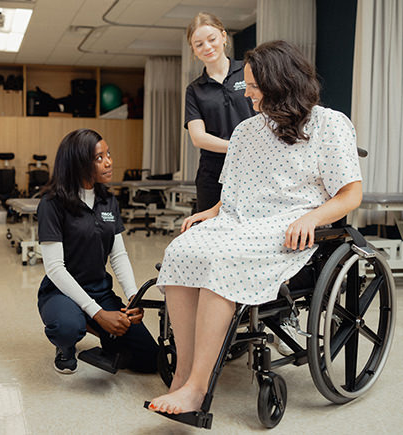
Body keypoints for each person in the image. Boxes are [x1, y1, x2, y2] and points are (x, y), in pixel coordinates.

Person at [147, 40, 363, 414]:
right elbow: (235, 190)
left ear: (281, 84)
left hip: (290, 229)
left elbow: (350, 195)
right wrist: (211, 212)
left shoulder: (330, 125)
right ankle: (182, 376)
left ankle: (198, 389)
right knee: (181, 250)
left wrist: (311, 217)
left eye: (252, 86)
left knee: (224, 260)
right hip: (238, 220)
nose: (245, 93)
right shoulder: (248, 131)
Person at [37, 128, 158, 374]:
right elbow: (54, 268)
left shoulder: (108, 200)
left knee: (149, 359)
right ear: (78, 163)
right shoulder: (52, 204)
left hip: (100, 290)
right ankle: (67, 345)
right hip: (61, 293)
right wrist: (99, 315)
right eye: (99, 158)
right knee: (67, 326)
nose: (109, 162)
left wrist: (134, 296)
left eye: (109, 154)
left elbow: (118, 254)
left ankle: (105, 335)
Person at [185, 12, 256, 212]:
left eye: (212, 39)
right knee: (210, 231)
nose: (207, 47)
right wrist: (238, 146)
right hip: (213, 172)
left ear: (224, 37)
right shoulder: (194, 90)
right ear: (193, 50)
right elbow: (198, 137)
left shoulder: (249, 71)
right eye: (199, 44)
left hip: (254, 164)